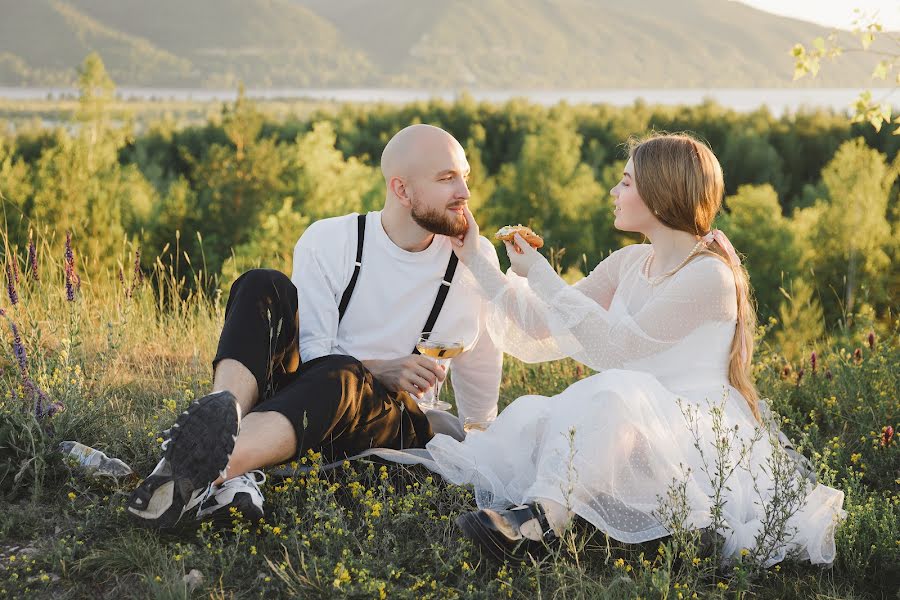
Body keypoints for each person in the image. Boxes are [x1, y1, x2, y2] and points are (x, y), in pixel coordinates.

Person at [420, 133, 844, 566]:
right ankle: (547, 506)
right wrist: (476, 255)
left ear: (661, 194)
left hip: (693, 440)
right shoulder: (627, 264)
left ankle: (541, 523)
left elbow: (618, 353)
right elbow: (539, 325)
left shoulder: (709, 277)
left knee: (614, 393)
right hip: (628, 431)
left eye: (625, 183)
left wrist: (543, 274)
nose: (613, 192)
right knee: (536, 415)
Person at [126, 124, 503, 528]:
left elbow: (482, 364)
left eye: (465, 177)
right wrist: (382, 366)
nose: (464, 192)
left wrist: (484, 443)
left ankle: (196, 470)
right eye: (447, 178)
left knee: (344, 375)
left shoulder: (472, 259)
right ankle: (224, 421)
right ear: (401, 189)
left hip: (392, 420)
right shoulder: (332, 240)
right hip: (312, 397)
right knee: (261, 283)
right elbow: (315, 353)